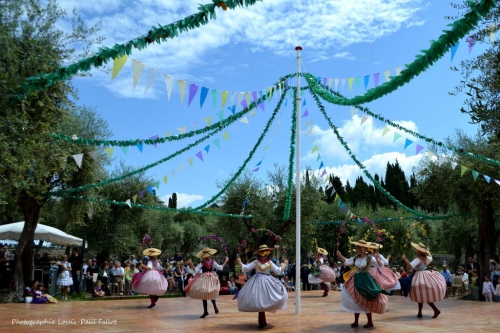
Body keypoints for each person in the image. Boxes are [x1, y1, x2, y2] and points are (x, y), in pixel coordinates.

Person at [336, 239, 388, 329]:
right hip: (356, 279)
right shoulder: (356, 257)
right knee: (355, 299)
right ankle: (356, 321)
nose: (356, 249)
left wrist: (377, 258)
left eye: (357, 248)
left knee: (366, 299)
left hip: (366, 280)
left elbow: (381, 265)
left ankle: (370, 322)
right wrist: (340, 255)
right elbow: (347, 262)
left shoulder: (369, 258)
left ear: (363, 249)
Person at [236, 244, 288, 329]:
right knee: (265, 298)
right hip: (267, 281)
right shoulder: (269, 262)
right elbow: (278, 271)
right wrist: (285, 264)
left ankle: (262, 321)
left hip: (257, 281)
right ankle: (262, 321)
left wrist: (239, 262)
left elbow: (246, 268)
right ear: (266, 253)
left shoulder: (256, 262)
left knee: (259, 299)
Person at [401, 242, 446, 319]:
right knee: (421, 293)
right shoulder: (427, 258)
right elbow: (431, 257)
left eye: (416, 249)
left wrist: (405, 259)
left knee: (421, 294)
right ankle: (420, 312)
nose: (415, 250)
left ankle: (435, 310)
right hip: (426, 275)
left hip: (420, 276)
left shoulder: (418, 259)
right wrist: (428, 252)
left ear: (419, 251)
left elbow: (411, 266)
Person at [185, 247, 229, 318]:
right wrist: (225, 261)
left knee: (207, 293)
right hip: (209, 278)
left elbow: (196, 270)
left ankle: (209, 309)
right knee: (207, 293)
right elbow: (220, 267)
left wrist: (191, 264)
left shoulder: (205, 262)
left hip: (206, 278)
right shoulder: (210, 262)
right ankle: (208, 309)